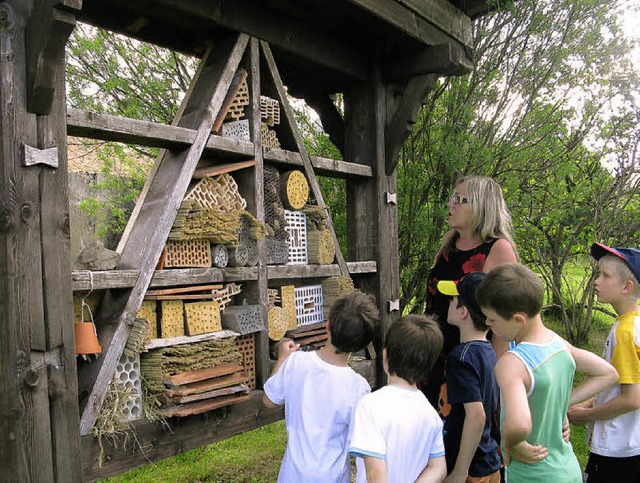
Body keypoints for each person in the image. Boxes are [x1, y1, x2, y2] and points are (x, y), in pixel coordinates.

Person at [475, 263, 618, 482]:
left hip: (534, 475)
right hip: (567, 469)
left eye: (492, 319)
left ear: (518, 319)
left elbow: (519, 424)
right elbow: (607, 373)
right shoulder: (559, 344)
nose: (487, 324)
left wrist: (511, 442)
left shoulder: (511, 364)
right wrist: (562, 405)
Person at [262, 289, 380, 483]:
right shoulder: (359, 388)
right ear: (362, 344)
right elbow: (361, 445)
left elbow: (269, 400)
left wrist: (282, 358)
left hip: (292, 476)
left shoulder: (296, 363)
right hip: (332, 478)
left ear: (327, 326)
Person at [423, 175, 517, 409]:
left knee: (469, 427)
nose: (450, 204)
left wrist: (490, 372)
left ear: (481, 206)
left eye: (459, 199)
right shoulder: (449, 243)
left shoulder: (499, 249)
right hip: (434, 356)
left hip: (471, 360)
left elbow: (507, 321)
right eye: (451, 198)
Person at [567, 243, 640, 483]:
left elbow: (632, 398)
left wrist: (587, 416)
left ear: (626, 287)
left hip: (618, 447)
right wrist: (588, 403)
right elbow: (619, 383)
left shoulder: (626, 333)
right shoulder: (631, 324)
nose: (596, 281)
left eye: (605, 276)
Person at [348, 315, 447, 483]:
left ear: (385, 357)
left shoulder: (370, 406)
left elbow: (375, 475)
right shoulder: (431, 415)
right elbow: (439, 467)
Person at [437, 272, 501, 483]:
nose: (449, 302)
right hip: (490, 463)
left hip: (472, 471)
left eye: (453, 299)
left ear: (463, 312)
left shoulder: (461, 358)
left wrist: (459, 472)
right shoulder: (489, 352)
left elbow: (477, 416)